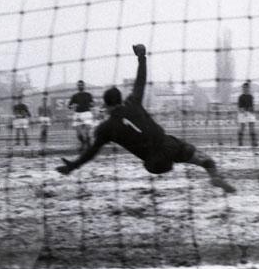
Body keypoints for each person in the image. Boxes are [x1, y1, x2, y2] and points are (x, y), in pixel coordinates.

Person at [56, 45, 235, 192]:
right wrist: (142, 57)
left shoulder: (106, 128)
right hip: (169, 145)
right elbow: (140, 80)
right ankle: (214, 177)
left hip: (155, 163)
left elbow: (91, 152)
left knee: (154, 164)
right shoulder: (133, 102)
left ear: (106, 105)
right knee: (206, 160)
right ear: (120, 100)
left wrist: (73, 166)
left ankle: (170, 165)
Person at [68, 80, 94, 150]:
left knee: (87, 132)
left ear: (84, 86)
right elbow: (69, 106)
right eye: (79, 85)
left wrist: (91, 104)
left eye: (81, 85)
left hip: (87, 113)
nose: (80, 86)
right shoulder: (75, 96)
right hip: (78, 114)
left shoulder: (88, 95)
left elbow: (92, 104)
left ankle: (88, 144)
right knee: (79, 134)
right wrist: (73, 106)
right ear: (77, 86)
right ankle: (83, 143)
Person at [237, 82, 258, 147]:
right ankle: (240, 142)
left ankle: (254, 142)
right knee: (242, 128)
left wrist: (252, 112)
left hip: (250, 113)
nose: (245, 89)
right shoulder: (240, 97)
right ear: (243, 88)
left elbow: (252, 106)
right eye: (244, 88)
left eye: (247, 88)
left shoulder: (251, 96)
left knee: (252, 127)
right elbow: (240, 107)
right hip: (242, 113)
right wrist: (244, 111)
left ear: (249, 88)